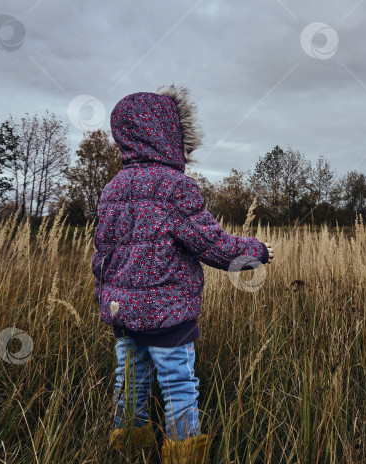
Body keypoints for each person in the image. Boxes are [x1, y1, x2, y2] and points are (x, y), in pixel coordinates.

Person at [91, 85, 274, 463]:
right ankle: (182, 454)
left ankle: (128, 448)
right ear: (168, 135)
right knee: (178, 382)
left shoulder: (112, 188)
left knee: (129, 382)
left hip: (120, 312)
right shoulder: (174, 186)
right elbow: (211, 244)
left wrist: (107, 297)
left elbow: (103, 253)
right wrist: (255, 251)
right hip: (167, 314)